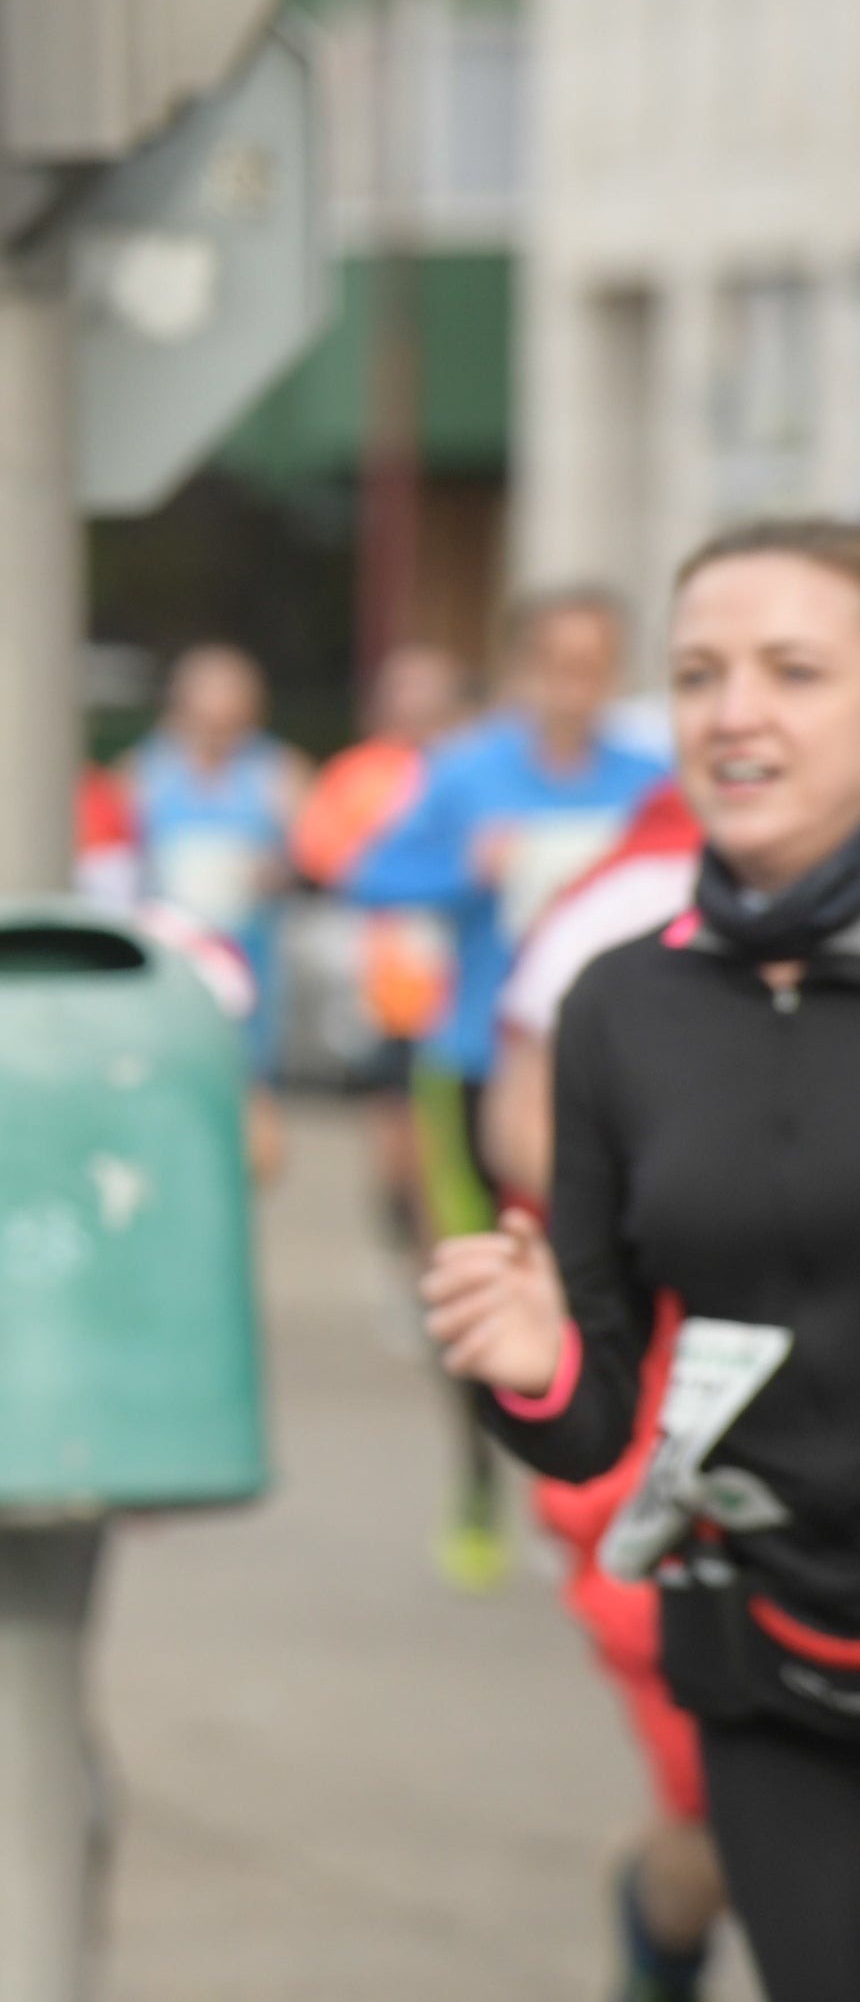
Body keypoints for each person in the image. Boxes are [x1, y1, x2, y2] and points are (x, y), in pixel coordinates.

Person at [430, 520, 860, 1998]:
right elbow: (596, 1402)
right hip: (769, 1648)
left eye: (794, 672)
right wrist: (533, 1363)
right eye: (700, 676)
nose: (736, 710)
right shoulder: (624, 1003)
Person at [348, 588, 665, 1590]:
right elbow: (364, 876)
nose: (575, 686)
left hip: (616, 1067)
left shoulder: (648, 778)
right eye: (557, 663)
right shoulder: (465, 770)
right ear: (523, 668)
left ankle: (612, 1482)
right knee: (480, 1275)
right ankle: (480, 1482)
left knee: (611, 1274)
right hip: (476, 1062)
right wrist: (463, 869)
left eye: (595, 664)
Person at [484, 778, 725, 2002]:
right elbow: (520, 1124)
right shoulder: (627, 907)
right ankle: (657, 1931)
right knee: (720, 1812)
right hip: (675, 1423)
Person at [290, 643, 469, 1310]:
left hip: (465, 997)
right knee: (398, 1147)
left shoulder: (469, 767)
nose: (416, 706)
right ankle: (409, 1262)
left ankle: (447, 1266)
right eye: (404, 691)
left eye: (429, 690)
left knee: (453, 1147)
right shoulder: (357, 777)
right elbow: (329, 864)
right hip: (387, 989)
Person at [125, 643, 309, 1062]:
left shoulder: (280, 772)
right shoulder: (141, 772)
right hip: (166, 957)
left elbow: (314, 858)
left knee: (247, 1071)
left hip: (249, 955)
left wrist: (281, 871)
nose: (216, 728)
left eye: (229, 719)